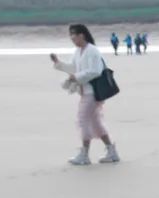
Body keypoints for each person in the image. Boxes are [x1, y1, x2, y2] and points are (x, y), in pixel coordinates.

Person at [50, 24, 120, 166]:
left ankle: (85, 154)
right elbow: (74, 67)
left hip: (92, 92)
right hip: (85, 92)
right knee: (95, 122)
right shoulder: (78, 51)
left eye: (73, 35)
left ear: (82, 35)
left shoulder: (92, 50)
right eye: (70, 35)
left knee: (83, 120)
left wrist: (75, 77)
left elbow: (95, 71)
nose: (71, 38)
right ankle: (111, 151)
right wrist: (58, 63)